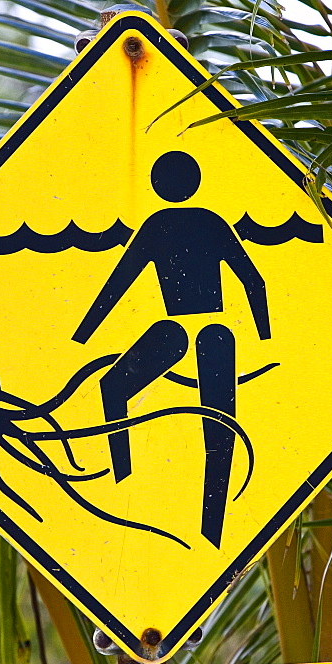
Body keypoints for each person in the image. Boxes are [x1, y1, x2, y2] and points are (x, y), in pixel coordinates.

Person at [72, 150, 270, 548]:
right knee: (220, 436)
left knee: (113, 389)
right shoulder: (211, 223)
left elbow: (117, 285)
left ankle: (125, 484)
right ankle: (208, 528)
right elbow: (255, 281)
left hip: (175, 330)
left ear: (160, 186)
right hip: (215, 333)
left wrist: (83, 334)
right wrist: (263, 336)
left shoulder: (157, 225)